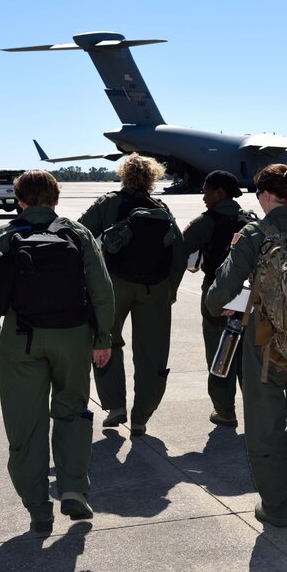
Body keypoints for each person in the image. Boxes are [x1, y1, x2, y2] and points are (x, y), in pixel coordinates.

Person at [0, 169, 115, 535]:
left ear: (19, 201)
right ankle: (73, 488)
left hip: (21, 338)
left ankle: (38, 510)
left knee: (26, 425)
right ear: (56, 199)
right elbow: (101, 290)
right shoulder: (78, 234)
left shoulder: (3, 235)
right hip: (73, 337)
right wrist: (102, 338)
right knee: (72, 411)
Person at [205, 163, 287, 529]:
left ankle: (276, 506)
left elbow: (219, 293)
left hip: (266, 349)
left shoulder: (253, 235)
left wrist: (220, 305)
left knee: (266, 427)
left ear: (266, 195)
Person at [78, 154, 186, 437]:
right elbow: (179, 253)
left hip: (114, 286)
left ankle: (115, 406)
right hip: (156, 288)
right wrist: (171, 289)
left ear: (123, 176)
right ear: (152, 178)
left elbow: (81, 234)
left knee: (106, 340)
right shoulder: (161, 208)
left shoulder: (108, 203)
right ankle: (141, 417)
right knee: (152, 353)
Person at [183, 170, 254, 427]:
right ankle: (261, 411)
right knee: (250, 356)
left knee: (220, 353)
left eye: (206, 192)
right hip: (250, 298)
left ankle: (225, 411)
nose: (203, 197)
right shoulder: (252, 221)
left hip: (218, 296)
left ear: (220, 193)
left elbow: (179, 252)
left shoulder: (205, 222)